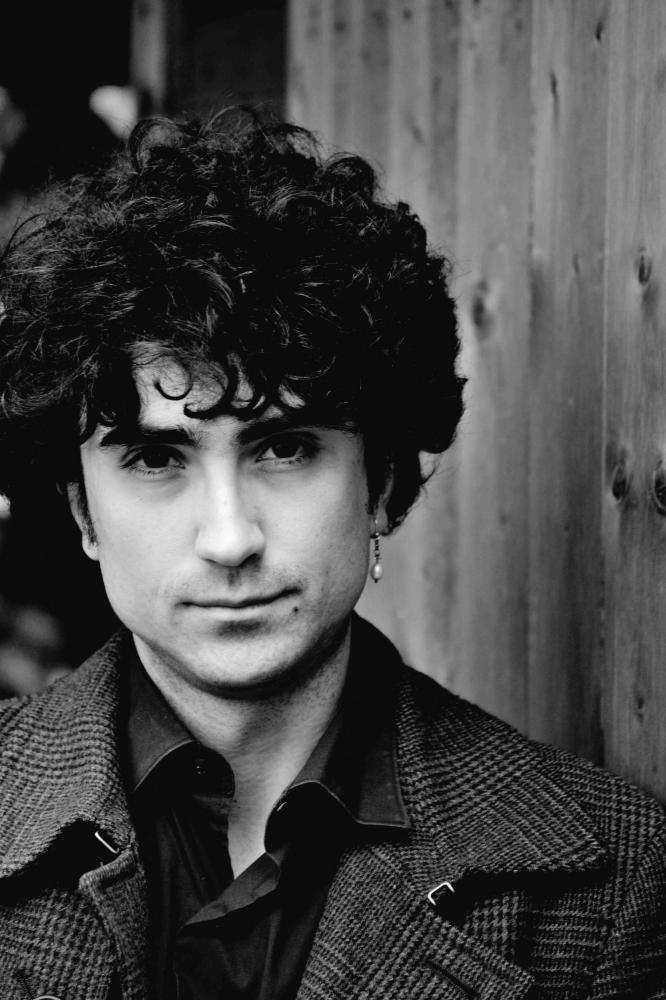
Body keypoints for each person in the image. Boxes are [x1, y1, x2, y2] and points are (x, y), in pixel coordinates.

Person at [0, 112, 664, 1000]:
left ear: (380, 483)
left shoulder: (610, 878)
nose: (230, 538)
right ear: (84, 510)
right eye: (156, 459)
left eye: (285, 448)